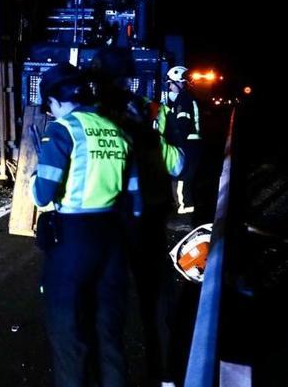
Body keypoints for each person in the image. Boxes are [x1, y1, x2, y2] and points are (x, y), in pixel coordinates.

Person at [31, 62, 139, 387]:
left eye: (48, 106)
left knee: (68, 333)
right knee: (108, 331)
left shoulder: (62, 130)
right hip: (112, 236)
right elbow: (135, 198)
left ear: (55, 99)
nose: (50, 113)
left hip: (73, 240)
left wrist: (36, 176)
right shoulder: (116, 130)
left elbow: (42, 194)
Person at [89, 47, 185, 386]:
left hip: (112, 218)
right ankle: (168, 373)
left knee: (105, 303)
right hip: (148, 214)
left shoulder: (95, 116)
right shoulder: (145, 110)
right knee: (156, 297)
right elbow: (176, 162)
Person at [164, 65, 202, 218]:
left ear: (180, 82)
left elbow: (182, 125)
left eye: (172, 83)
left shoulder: (183, 99)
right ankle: (186, 214)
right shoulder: (188, 97)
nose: (170, 87)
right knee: (184, 180)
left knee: (181, 180)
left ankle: (185, 219)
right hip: (193, 145)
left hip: (188, 145)